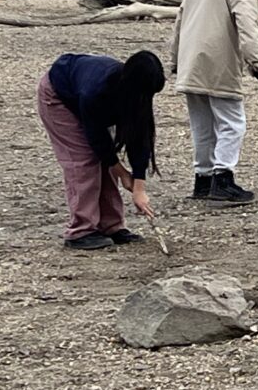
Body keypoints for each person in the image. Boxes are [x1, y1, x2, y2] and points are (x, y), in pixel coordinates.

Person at [168, 0, 258, 206]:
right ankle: (223, 179)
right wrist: (257, 64)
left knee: (202, 124)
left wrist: (176, 59)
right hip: (218, 61)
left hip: (191, 61)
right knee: (232, 123)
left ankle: (203, 180)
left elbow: (180, 20)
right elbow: (248, 25)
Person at [37, 50, 165, 250]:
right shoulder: (97, 91)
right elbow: (97, 139)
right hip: (59, 96)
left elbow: (139, 137)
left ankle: (111, 226)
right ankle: (81, 230)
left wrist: (139, 186)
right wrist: (122, 173)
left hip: (84, 96)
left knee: (105, 165)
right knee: (84, 160)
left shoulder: (137, 91)